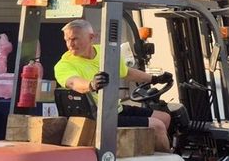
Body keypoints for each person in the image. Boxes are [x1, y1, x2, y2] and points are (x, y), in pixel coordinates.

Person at [54, 19, 173, 153]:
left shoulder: (105, 53)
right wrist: (91, 85)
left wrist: (155, 78)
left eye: (74, 39)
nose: (70, 44)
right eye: (67, 40)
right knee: (157, 126)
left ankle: (153, 152)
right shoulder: (64, 65)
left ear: (91, 37)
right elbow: (73, 82)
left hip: (115, 109)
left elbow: (126, 72)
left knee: (164, 117)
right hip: (100, 117)